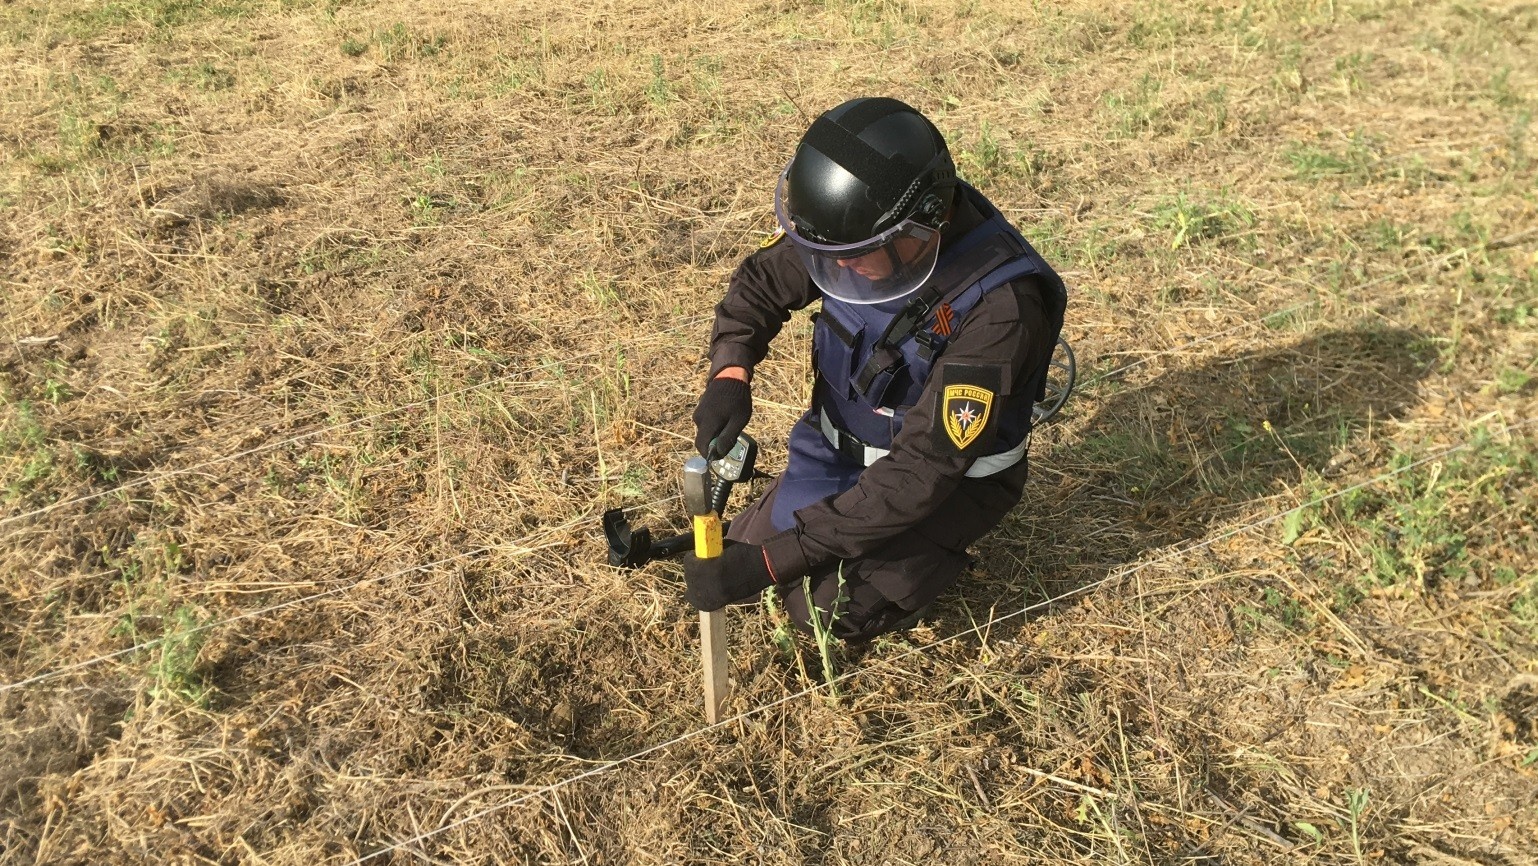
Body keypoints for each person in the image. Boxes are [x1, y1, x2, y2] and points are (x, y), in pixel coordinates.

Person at [682, 97, 1067, 641]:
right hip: (834, 448)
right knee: (747, 571)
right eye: (828, 251)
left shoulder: (1002, 309)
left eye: (856, 254)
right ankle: (811, 521)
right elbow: (762, 285)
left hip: (944, 486)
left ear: (926, 221)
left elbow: (922, 471)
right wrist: (729, 375)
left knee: (817, 611)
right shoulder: (854, 232)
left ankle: (925, 564)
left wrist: (773, 562)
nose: (836, 266)